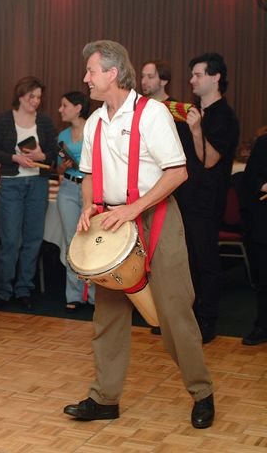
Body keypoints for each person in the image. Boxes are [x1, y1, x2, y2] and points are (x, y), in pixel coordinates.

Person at [63, 40, 214, 429]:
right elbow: (89, 176)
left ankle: (201, 392)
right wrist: (87, 206)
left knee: (174, 311)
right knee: (108, 315)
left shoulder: (153, 115)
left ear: (112, 73)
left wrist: (133, 209)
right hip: (111, 221)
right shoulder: (96, 121)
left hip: (156, 218)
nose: (86, 78)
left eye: (91, 71)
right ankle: (104, 398)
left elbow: (178, 172)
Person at [175, 53, 240, 343]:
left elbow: (211, 160)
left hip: (207, 202)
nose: (192, 80)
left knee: (205, 261)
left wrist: (197, 130)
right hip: (184, 198)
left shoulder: (225, 117)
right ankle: (185, 317)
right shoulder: (191, 114)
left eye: (198, 74)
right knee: (185, 260)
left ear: (215, 77)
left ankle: (207, 321)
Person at [0, 76, 57, 309]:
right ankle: (2, 289)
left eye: (38, 97)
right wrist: (14, 157)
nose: (35, 101)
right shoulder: (5, 119)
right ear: (20, 96)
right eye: (31, 97)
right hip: (12, 183)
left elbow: (54, 151)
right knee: (10, 239)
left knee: (33, 239)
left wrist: (41, 156)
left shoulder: (44, 122)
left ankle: (24, 289)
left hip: (37, 184)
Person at [56, 91, 93, 311]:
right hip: (68, 188)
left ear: (78, 107)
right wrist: (64, 166)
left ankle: (96, 296)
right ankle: (74, 294)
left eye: (65, 105)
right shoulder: (62, 136)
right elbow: (58, 169)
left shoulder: (95, 129)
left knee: (93, 242)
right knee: (72, 242)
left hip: (91, 188)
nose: (61, 109)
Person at [242, 133, 267, 345]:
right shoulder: (264, 142)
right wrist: (264, 185)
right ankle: (263, 326)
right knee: (264, 278)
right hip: (263, 221)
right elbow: (250, 178)